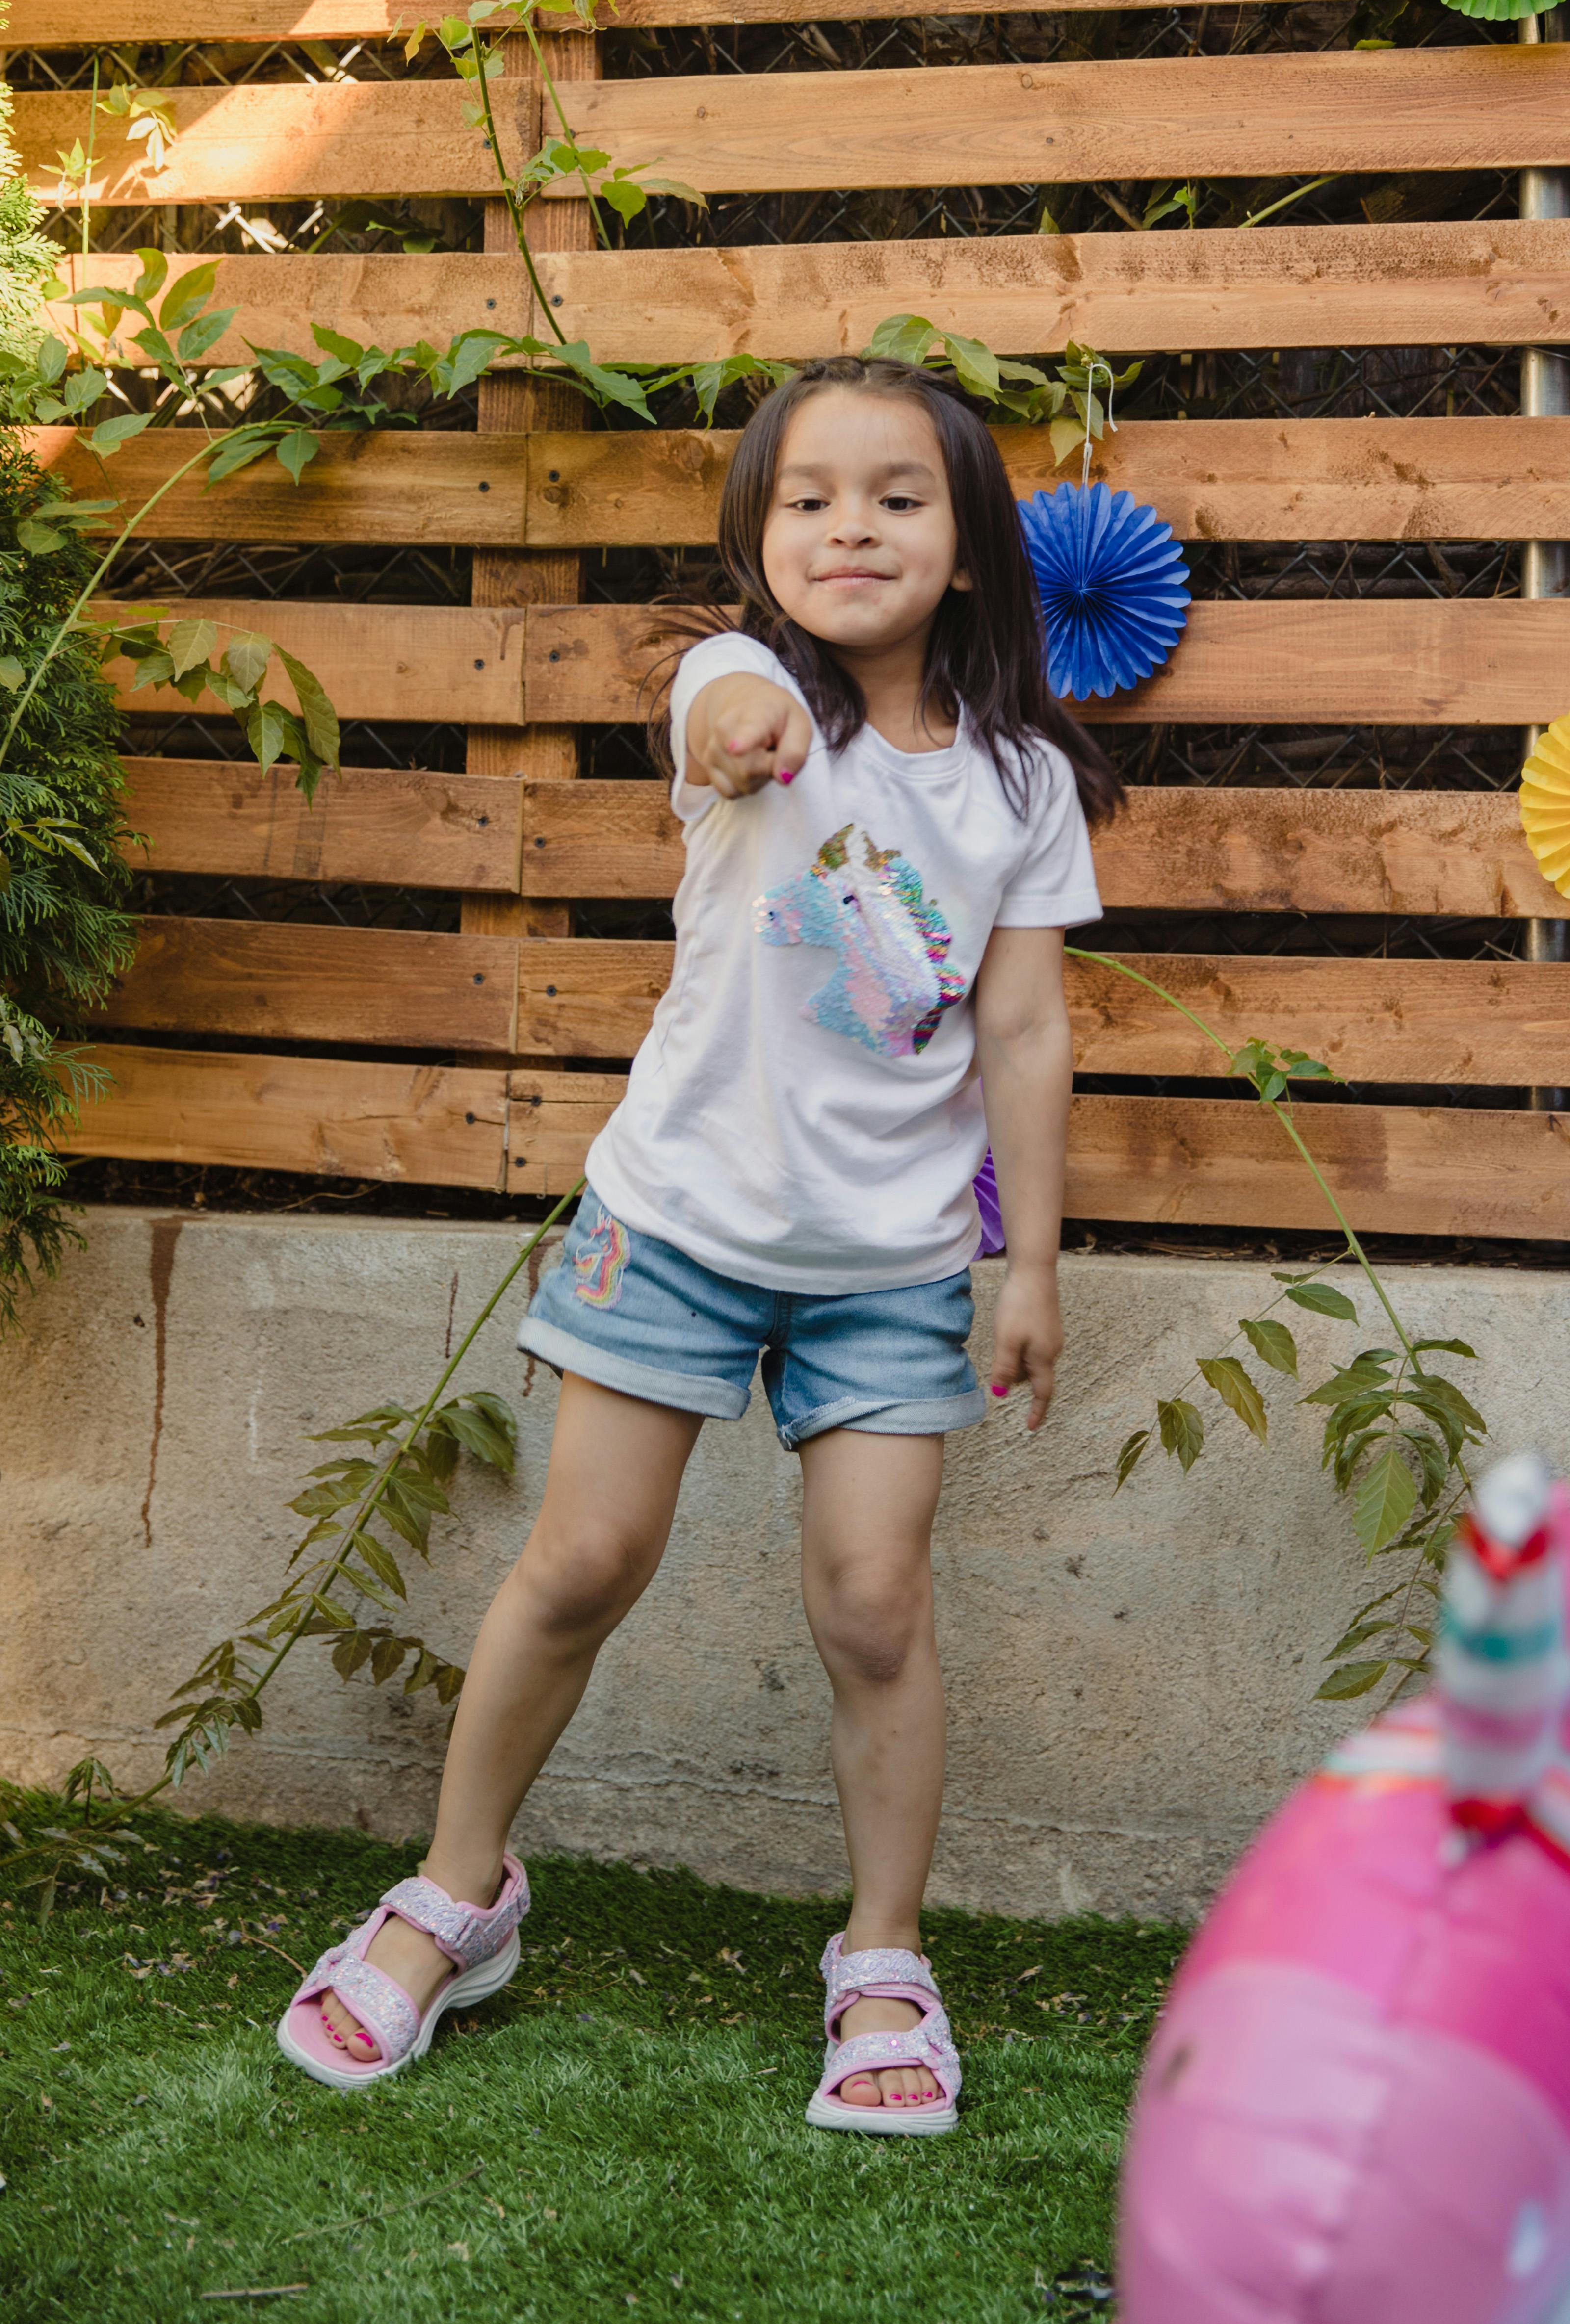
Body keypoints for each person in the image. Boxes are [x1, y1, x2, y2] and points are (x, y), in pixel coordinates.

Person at [275, 353, 1121, 2132]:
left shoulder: (1021, 775)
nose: (849, 528)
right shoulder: (738, 688)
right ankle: (455, 1895)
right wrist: (739, 733)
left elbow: (1028, 1031)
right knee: (580, 1559)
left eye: (899, 496)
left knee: (874, 1603)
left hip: (892, 1258)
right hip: (673, 1219)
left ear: (968, 547)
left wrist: (1026, 1260)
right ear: (758, 536)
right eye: (807, 498)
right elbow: (716, 720)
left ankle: (883, 1955)